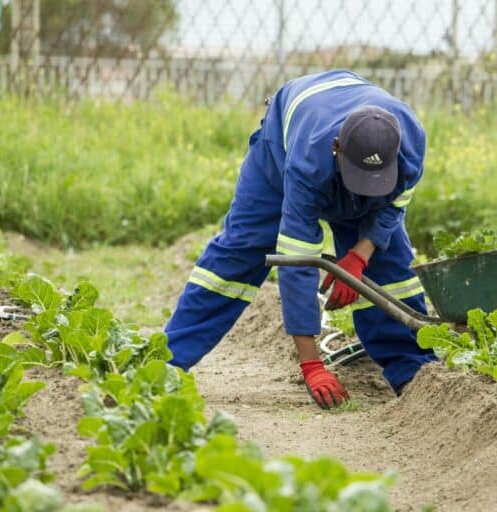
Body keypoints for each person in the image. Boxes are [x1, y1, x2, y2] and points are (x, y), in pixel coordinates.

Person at [165, 69, 437, 409]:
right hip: (281, 150)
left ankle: (413, 372)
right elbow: (298, 263)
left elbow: (392, 207)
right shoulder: (308, 163)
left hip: (351, 141)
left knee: (389, 266)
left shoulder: (410, 143)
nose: (365, 190)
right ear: (336, 149)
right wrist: (311, 363)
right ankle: (167, 362)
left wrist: (360, 255)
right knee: (240, 252)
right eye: (358, 179)